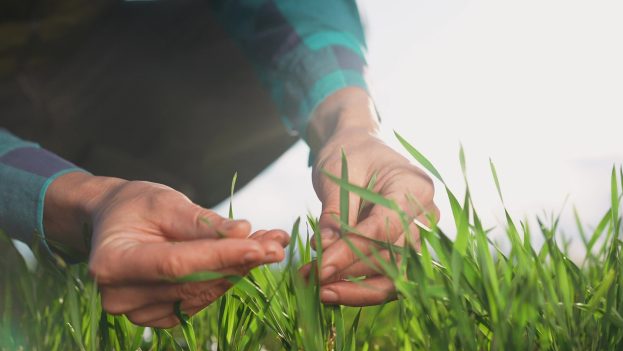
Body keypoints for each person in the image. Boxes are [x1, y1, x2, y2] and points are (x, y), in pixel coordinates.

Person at [0, 0, 438, 328]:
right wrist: (83, 201)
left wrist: (349, 118)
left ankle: (143, 231)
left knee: (274, 69)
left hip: (100, 62)